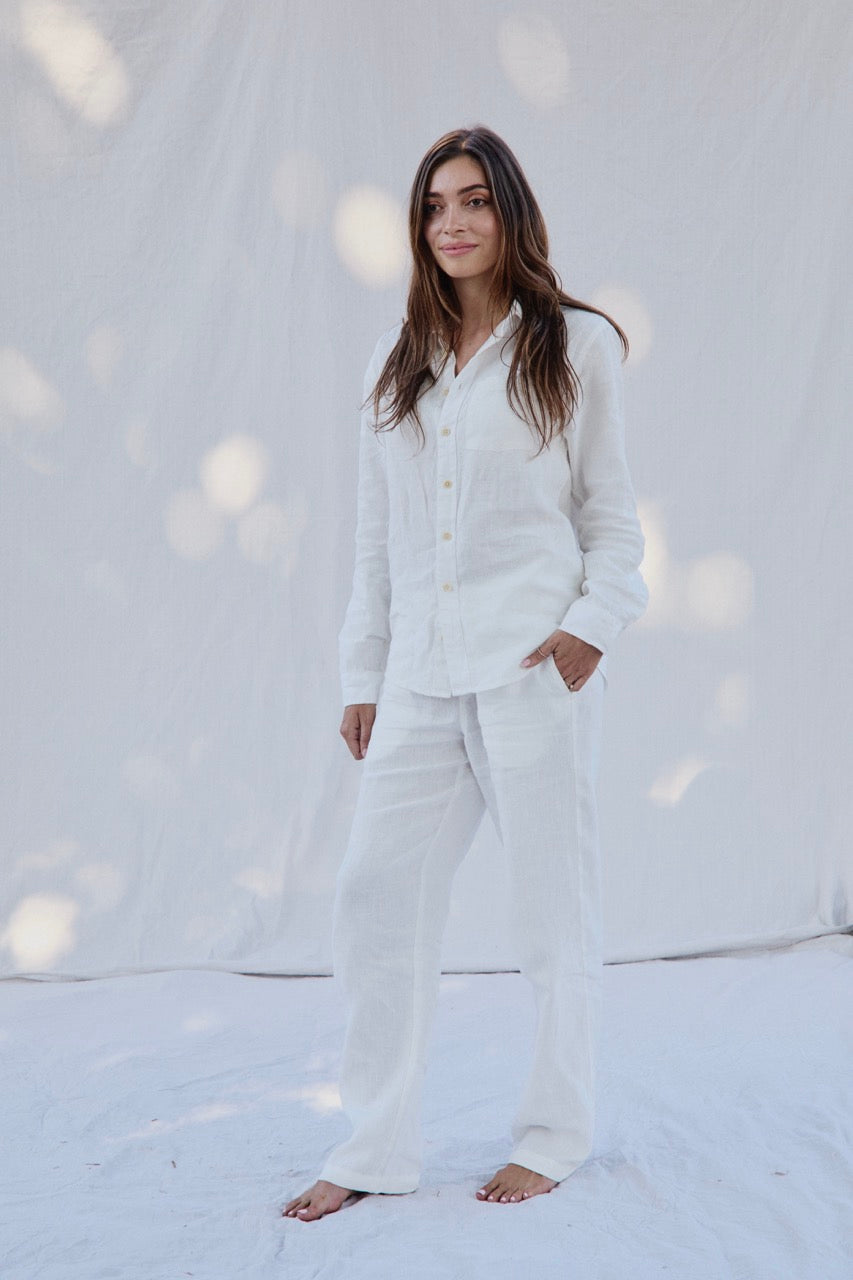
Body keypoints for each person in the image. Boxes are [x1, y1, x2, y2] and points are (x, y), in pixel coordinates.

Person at [283, 124, 648, 1222]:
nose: (453, 221)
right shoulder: (395, 364)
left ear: (510, 213)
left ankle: (554, 1134)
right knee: (374, 897)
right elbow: (376, 541)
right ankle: (374, 1143)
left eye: (475, 200)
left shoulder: (575, 346)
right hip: (419, 678)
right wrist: (363, 671)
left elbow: (612, 519)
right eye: (436, 204)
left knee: (550, 915)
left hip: (534, 670)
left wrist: (589, 628)